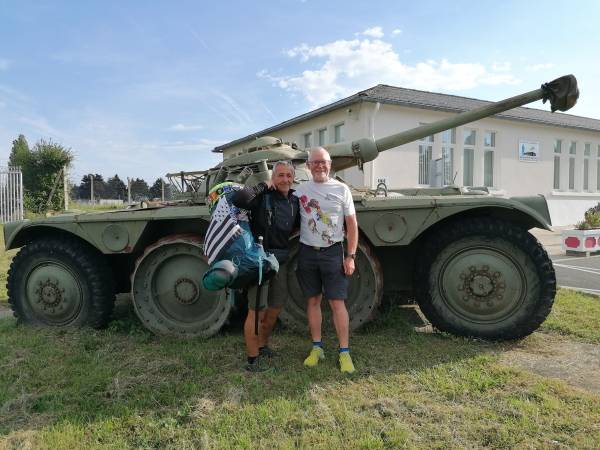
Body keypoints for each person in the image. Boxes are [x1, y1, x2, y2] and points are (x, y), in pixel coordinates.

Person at [294, 147, 358, 374]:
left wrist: (350, 256)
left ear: (330, 165)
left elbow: (351, 225)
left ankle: (344, 352)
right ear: (308, 166)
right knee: (312, 301)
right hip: (307, 252)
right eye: (315, 162)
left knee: (337, 303)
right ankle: (317, 347)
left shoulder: (342, 189)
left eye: (324, 162)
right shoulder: (299, 190)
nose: (320, 166)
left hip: (333, 252)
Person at [231, 161, 299, 372]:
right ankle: (253, 359)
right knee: (257, 310)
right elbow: (238, 199)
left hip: (280, 261)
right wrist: (262, 185)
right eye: (280, 175)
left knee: (276, 307)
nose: (285, 179)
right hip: (260, 261)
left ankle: (263, 344)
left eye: (288, 175)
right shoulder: (262, 197)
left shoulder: (294, 201)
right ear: (274, 177)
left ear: (293, 178)